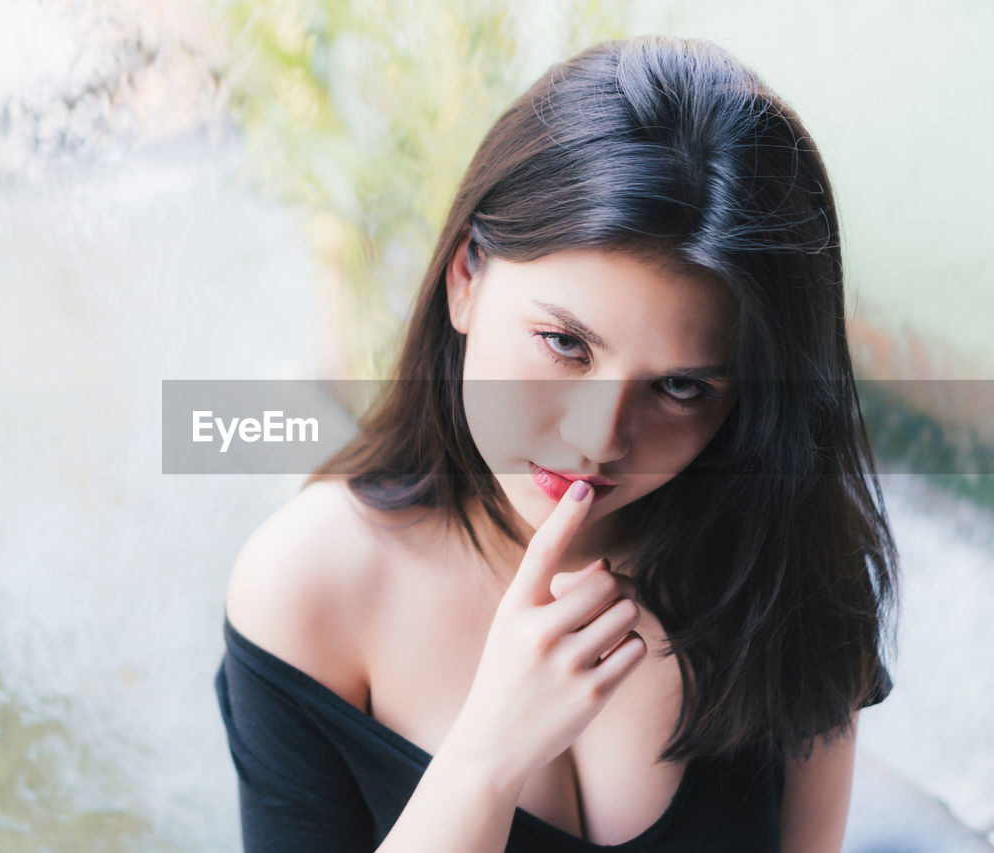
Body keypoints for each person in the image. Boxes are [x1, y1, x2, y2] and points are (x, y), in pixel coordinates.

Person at [214, 35, 897, 853]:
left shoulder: (783, 563)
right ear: (467, 275)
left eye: (681, 387)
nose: (598, 439)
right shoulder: (311, 585)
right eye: (566, 345)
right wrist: (485, 759)